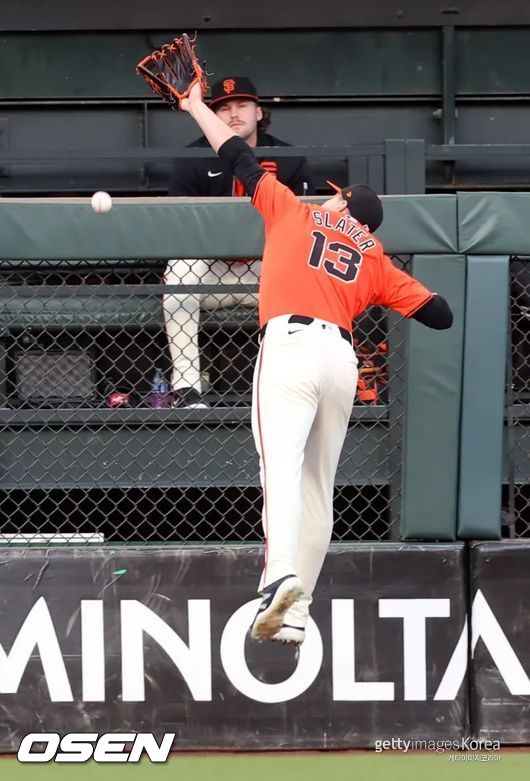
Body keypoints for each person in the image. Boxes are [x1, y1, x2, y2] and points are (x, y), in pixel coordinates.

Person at [180, 82, 454, 645]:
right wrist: (373, 273)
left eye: (334, 196)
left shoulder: (295, 212)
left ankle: (279, 576)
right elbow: (440, 314)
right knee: (316, 488)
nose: (327, 198)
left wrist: (195, 106)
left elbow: (235, 155)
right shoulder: (376, 258)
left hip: (291, 347)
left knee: (277, 470)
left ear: (340, 203)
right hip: (341, 361)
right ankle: (298, 607)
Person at [163, 76, 314, 408]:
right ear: (212, 115)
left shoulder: (289, 157)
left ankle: (292, 388)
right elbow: (182, 231)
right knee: (179, 276)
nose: (234, 114)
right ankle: (188, 390)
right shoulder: (192, 158)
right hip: (210, 272)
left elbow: (303, 227)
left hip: (266, 271)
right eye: (224, 108)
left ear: (259, 112)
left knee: (306, 276)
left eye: (242, 105)